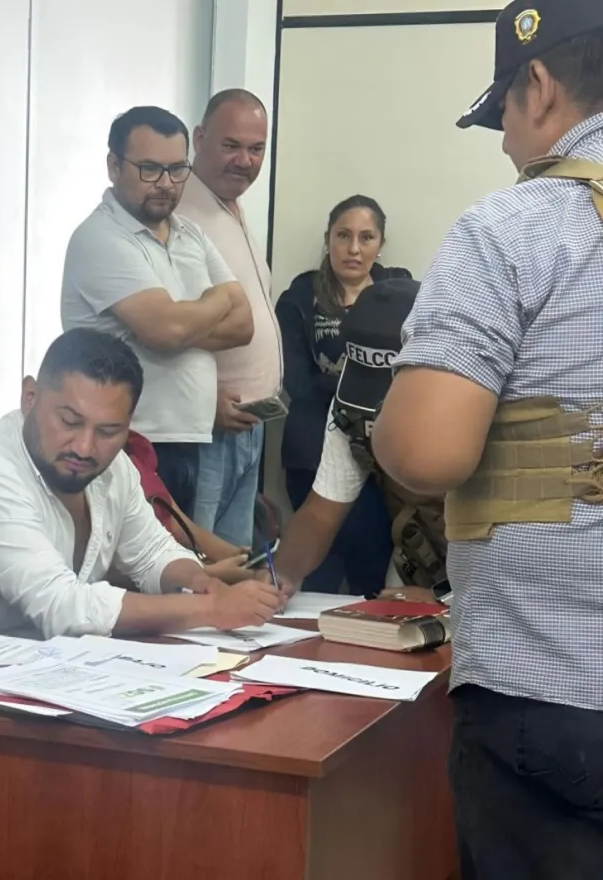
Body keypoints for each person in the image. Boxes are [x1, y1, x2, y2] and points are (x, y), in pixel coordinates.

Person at [370, 2, 603, 877]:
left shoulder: (516, 227)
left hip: (555, 697)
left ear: (537, 85)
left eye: (502, 110)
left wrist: (389, 416)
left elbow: (427, 453)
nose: (505, 140)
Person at [0, 328, 283, 639]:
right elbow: (61, 606)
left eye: (108, 430)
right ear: (30, 397)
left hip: (57, 677)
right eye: (70, 421)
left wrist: (199, 581)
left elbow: (152, 552)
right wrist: (211, 608)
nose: (85, 447)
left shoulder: (115, 467)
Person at [61, 105, 254, 515]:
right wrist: (212, 302)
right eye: (149, 169)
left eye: (177, 169)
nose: (165, 184)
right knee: (150, 571)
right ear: (114, 166)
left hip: (192, 437)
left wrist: (182, 321)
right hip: (130, 441)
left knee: (191, 566)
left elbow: (243, 324)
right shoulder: (100, 238)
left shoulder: (190, 233)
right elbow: (166, 329)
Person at [274, 278, 447, 603]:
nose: (376, 416)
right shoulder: (353, 408)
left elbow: (517, 544)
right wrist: (279, 577)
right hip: (423, 554)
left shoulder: (477, 407)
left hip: (497, 578)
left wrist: (442, 599)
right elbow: (320, 513)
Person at [275, 195, 410, 593]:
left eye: (366, 237)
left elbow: (415, 378)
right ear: (328, 239)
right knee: (320, 573)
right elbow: (296, 381)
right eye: (343, 236)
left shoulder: (399, 295)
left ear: (380, 243)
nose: (354, 249)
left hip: (385, 461)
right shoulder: (301, 296)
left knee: (373, 566)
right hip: (314, 449)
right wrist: (361, 389)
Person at [176, 88, 283, 548]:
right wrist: (203, 399)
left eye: (256, 149)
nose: (245, 160)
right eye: (231, 145)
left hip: (248, 427)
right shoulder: (178, 210)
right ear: (199, 138)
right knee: (200, 568)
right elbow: (166, 328)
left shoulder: (232, 207)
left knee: (235, 566)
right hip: (206, 428)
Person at [123, 429, 271, 585]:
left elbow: (178, 525)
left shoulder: (136, 451)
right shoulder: (109, 467)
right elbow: (116, 572)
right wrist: (209, 572)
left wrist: (238, 557)